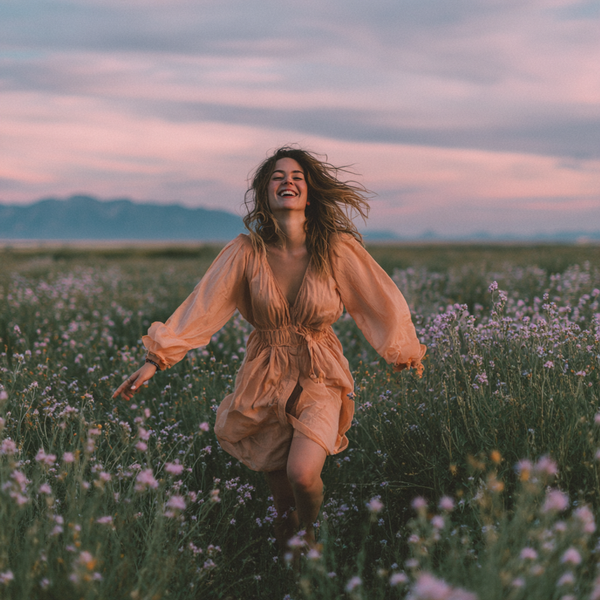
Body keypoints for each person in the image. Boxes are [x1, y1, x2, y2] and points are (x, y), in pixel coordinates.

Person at [113, 146, 426, 554]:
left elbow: (381, 299)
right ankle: (296, 575)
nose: (288, 181)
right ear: (264, 194)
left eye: (297, 176)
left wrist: (404, 353)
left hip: (320, 372)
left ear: (309, 194)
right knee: (281, 508)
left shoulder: (337, 250)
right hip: (265, 375)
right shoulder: (245, 252)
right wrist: (155, 360)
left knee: (302, 475)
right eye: (277, 176)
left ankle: (312, 537)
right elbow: (202, 305)